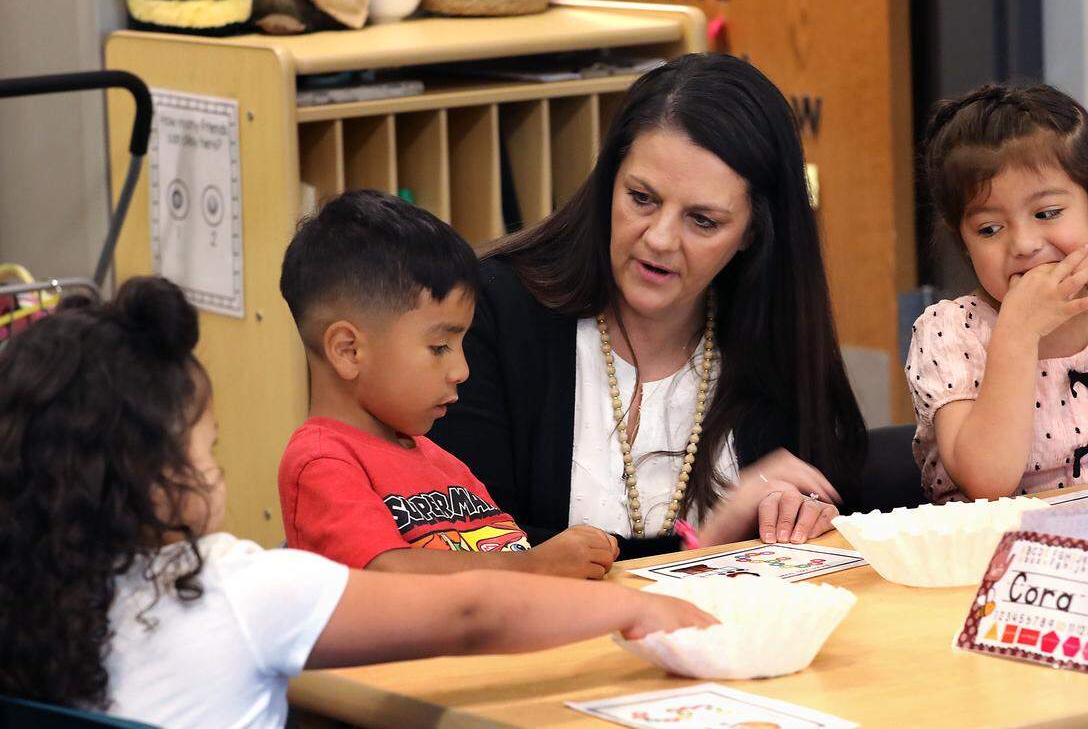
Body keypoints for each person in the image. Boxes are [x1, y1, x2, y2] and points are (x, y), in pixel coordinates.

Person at [0, 277, 715, 727]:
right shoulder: (233, 587)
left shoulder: (26, 591)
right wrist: (637, 607)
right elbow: (472, 612)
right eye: (206, 450)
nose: (218, 472)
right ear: (148, 476)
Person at [430, 53, 867, 559]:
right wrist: (709, 545)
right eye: (641, 198)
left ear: (753, 232)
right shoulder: (490, 313)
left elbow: (832, 536)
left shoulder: (777, 340)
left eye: (702, 221)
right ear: (608, 180)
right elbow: (474, 557)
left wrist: (805, 518)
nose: (659, 239)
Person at [278, 191, 619, 578]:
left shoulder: (440, 461)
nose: (462, 370)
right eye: (440, 346)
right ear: (349, 351)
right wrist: (536, 565)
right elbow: (386, 576)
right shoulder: (322, 463)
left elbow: (501, 549)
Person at [909, 82, 1088, 503]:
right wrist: (1017, 334)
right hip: (990, 553)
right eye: (989, 229)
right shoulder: (950, 331)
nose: (1024, 244)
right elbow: (987, 481)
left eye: (1047, 213)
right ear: (964, 242)